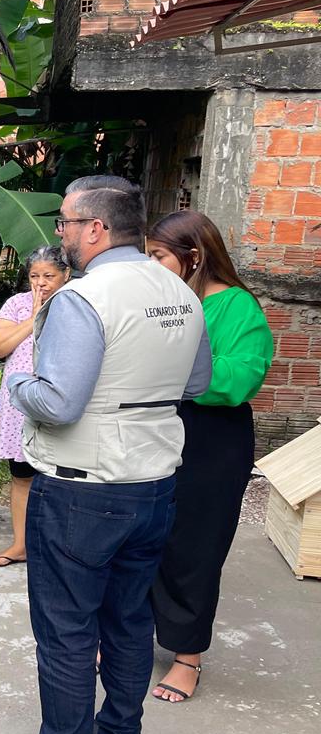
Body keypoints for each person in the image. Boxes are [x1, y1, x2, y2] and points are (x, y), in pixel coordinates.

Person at [0, 176, 212, 734]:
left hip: (83, 492)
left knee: (66, 633)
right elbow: (196, 384)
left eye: (63, 224)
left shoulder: (83, 299)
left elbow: (57, 405)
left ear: (94, 229)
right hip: (153, 487)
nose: (59, 235)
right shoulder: (179, 292)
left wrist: (22, 384)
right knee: (129, 619)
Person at [145, 211, 273, 703]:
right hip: (156, 429)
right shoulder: (161, 300)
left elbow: (241, 379)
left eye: (159, 256)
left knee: (195, 545)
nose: (152, 266)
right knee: (141, 537)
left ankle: (186, 655)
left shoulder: (236, 306)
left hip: (211, 438)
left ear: (193, 256)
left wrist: (173, 364)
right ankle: (126, 635)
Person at [0, 246, 71, 568]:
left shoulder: (76, 304)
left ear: (66, 274)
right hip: (19, 407)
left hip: (59, 403)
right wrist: (32, 319)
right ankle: (21, 544)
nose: (41, 283)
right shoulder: (18, 305)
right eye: (35, 276)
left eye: (49, 276)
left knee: (61, 480)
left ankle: (57, 549)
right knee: (21, 476)